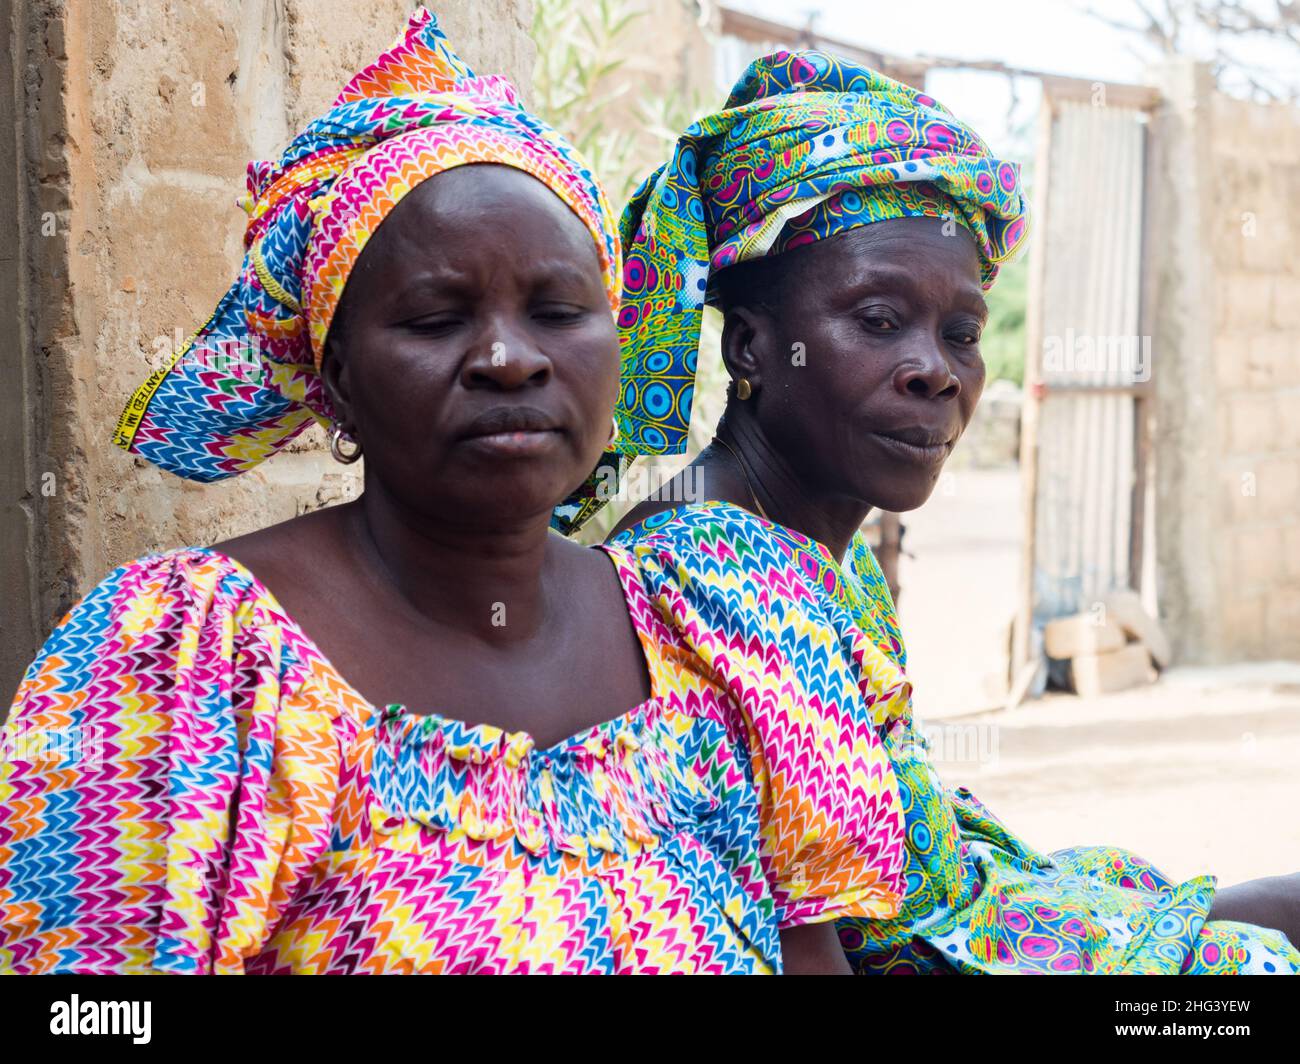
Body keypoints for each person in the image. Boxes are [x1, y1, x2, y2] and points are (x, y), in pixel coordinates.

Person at [0, 11, 906, 974]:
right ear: (338, 376)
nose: (510, 358)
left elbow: (813, 957)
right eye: (437, 318)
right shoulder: (197, 663)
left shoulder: (730, 625)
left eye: (560, 312)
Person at [598, 48, 1300, 974]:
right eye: (879, 321)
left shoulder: (814, 545)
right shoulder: (722, 570)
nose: (938, 371)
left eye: (961, 333)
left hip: (973, 907)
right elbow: (816, 943)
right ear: (754, 348)